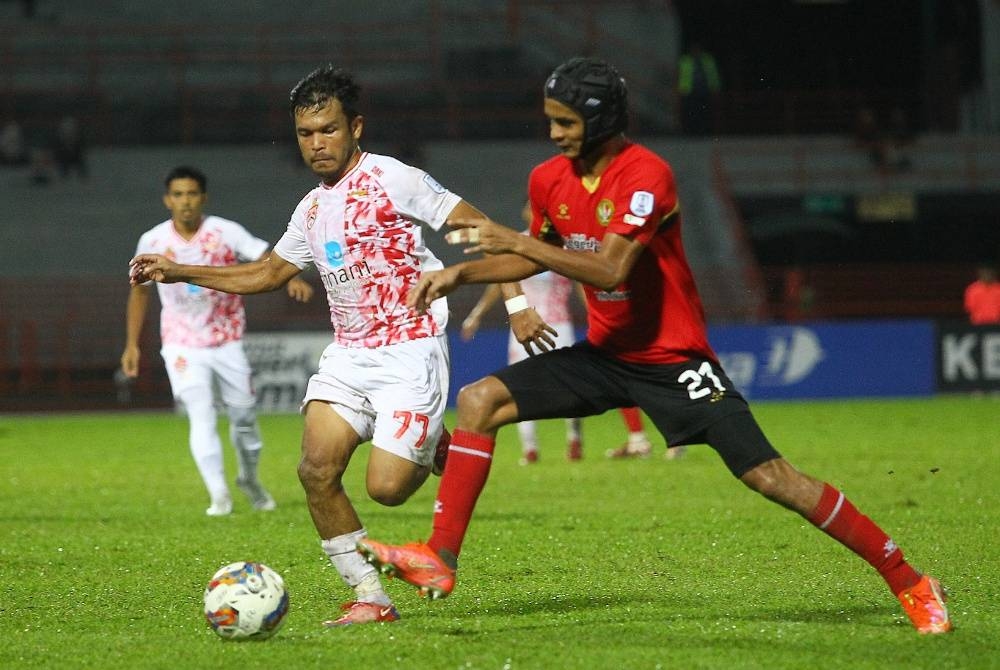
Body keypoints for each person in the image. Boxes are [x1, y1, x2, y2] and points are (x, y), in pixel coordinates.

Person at [357, 57, 952, 635]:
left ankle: (911, 582)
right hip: (606, 356)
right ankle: (440, 555)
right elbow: (528, 253)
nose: (554, 132)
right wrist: (460, 275)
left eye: (565, 121)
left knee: (773, 477)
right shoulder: (548, 179)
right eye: (550, 120)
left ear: (599, 120)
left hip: (674, 361)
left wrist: (514, 242)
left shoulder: (647, 175)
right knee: (481, 398)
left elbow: (611, 271)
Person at [128, 66, 552, 628]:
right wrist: (178, 270)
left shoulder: (395, 179)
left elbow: (485, 232)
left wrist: (518, 305)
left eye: (327, 130)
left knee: (388, 490)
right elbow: (268, 273)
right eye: (305, 134)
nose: (316, 143)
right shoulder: (311, 208)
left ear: (355, 126)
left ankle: (428, 442)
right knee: (315, 471)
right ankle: (371, 597)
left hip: (410, 348)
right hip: (349, 357)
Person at [122, 165, 314, 518]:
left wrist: (289, 280)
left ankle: (249, 480)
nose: (185, 202)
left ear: (203, 197)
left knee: (243, 419)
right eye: (178, 195)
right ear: (168, 200)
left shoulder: (225, 232)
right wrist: (132, 344)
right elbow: (139, 292)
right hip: (181, 343)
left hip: (227, 341)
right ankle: (219, 495)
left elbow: (268, 260)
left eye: (191, 194)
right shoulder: (152, 241)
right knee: (201, 413)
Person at [461, 200, 662, 463]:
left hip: (559, 324)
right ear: (524, 212)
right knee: (514, 385)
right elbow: (500, 282)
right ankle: (530, 449)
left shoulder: (562, 244)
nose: (532, 212)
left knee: (571, 385)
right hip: (524, 323)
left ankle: (574, 440)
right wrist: (476, 314)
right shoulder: (513, 242)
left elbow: (582, 281)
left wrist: (597, 314)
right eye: (529, 208)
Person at [676, 41, 722, 136]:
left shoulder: (708, 60)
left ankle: (704, 132)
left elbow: (713, 75)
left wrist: (715, 88)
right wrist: (680, 90)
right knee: (691, 113)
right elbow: (679, 75)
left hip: (704, 91)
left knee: (704, 113)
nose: (696, 51)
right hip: (689, 91)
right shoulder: (685, 60)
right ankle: (690, 133)